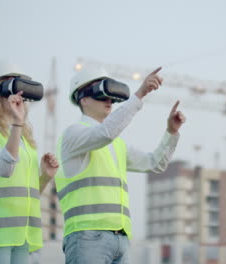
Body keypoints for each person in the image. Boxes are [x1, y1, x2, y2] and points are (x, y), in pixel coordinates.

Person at [56, 66, 185, 263]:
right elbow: (104, 133)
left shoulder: (116, 144)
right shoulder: (73, 134)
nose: (109, 100)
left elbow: (155, 163)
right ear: (83, 98)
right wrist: (140, 94)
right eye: (101, 94)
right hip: (87, 237)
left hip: (120, 239)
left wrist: (171, 132)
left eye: (111, 95)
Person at [0, 60, 59, 264]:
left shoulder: (24, 140)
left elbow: (27, 193)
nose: (21, 96)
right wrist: (17, 123)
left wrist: (45, 176)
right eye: (14, 86)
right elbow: (4, 169)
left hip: (20, 235)